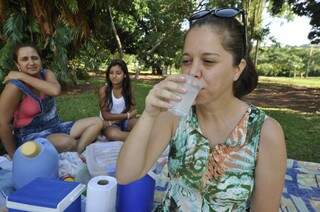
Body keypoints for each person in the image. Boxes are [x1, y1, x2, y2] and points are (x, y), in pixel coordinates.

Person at [116, 8, 287, 211]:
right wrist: (150, 113)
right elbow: (126, 175)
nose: (193, 71)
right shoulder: (176, 115)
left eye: (208, 61)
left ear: (237, 69)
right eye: (186, 61)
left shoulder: (264, 132)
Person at [0, 43, 103, 159]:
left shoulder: (46, 74)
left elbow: (55, 90)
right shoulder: (14, 87)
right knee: (67, 142)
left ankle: (77, 152)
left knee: (97, 122)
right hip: (30, 135)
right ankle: (77, 147)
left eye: (35, 58)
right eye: (24, 59)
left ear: (40, 60)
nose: (31, 62)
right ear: (17, 64)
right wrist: (13, 155)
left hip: (56, 126)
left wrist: (22, 76)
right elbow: (3, 123)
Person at [98, 59, 138, 141]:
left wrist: (130, 116)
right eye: (111, 73)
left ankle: (139, 136)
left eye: (118, 73)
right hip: (109, 123)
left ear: (124, 75)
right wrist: (127, 115)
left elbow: (133, 111)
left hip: (125, 121)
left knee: (139, 124)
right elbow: (105, 115)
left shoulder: (129, 89)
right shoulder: (104, 90)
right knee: (113, 134)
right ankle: (141, 138)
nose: (114, 76)